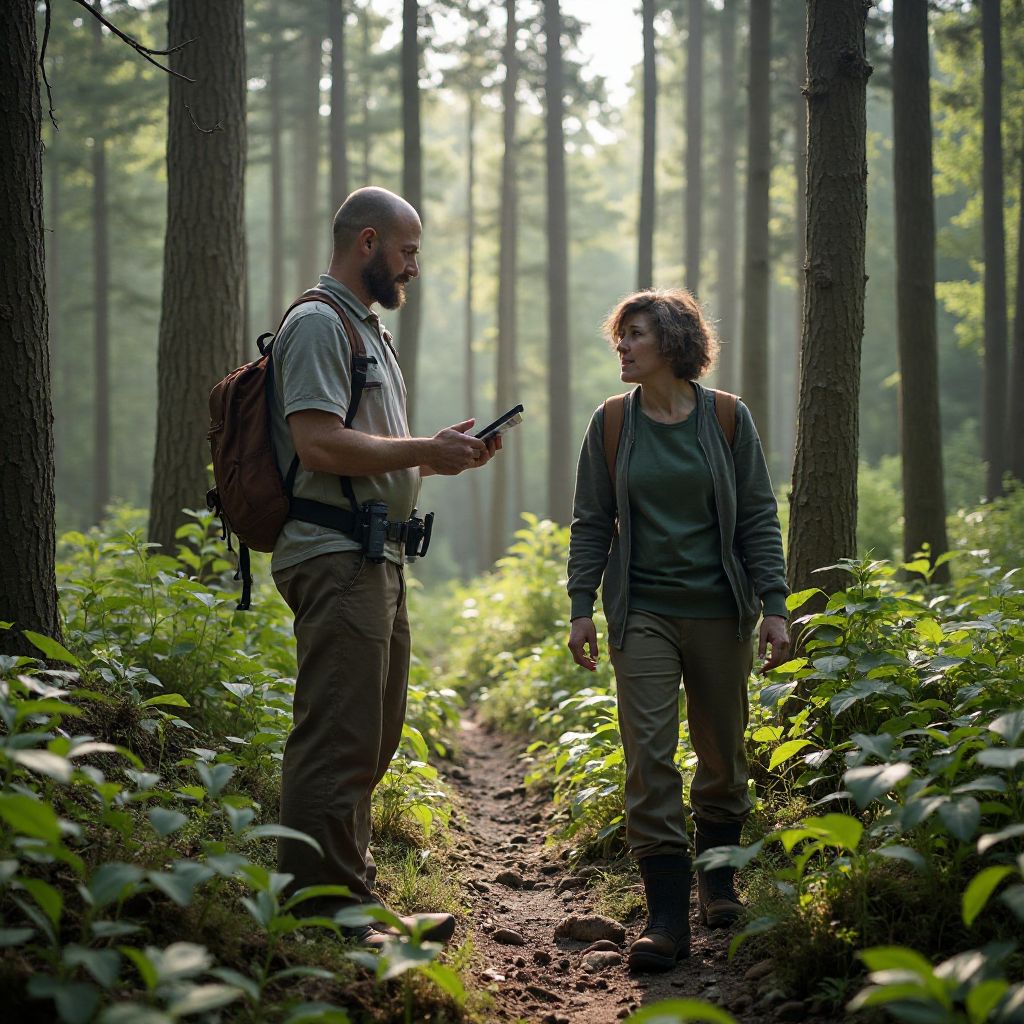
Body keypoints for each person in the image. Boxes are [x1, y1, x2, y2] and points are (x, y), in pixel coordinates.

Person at [269, 186, 499, 948]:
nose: (413, 268)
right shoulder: (316, 323)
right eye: (407, 252)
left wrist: (439, 457)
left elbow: (370, 454)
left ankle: (350, 902)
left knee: (370, 735)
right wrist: (422, 450)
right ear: (367, 242)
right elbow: (319, 445)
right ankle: (322, 916)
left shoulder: (367, 331)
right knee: (337, 733)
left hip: (375, 557)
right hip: (335, 556)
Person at [565, 288, 790, 973]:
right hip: (643, 615)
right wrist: (580, 606)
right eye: (619, 336)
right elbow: (590, 523)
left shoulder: (726, 418)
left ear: (671, 342)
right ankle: (666, 916)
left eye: (634, 335)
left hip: (722, 611)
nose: (622, 347)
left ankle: (718, 884)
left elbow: (756, 514)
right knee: (649, 757)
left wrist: (775, 604)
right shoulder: (610, 424)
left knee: (722, 750)